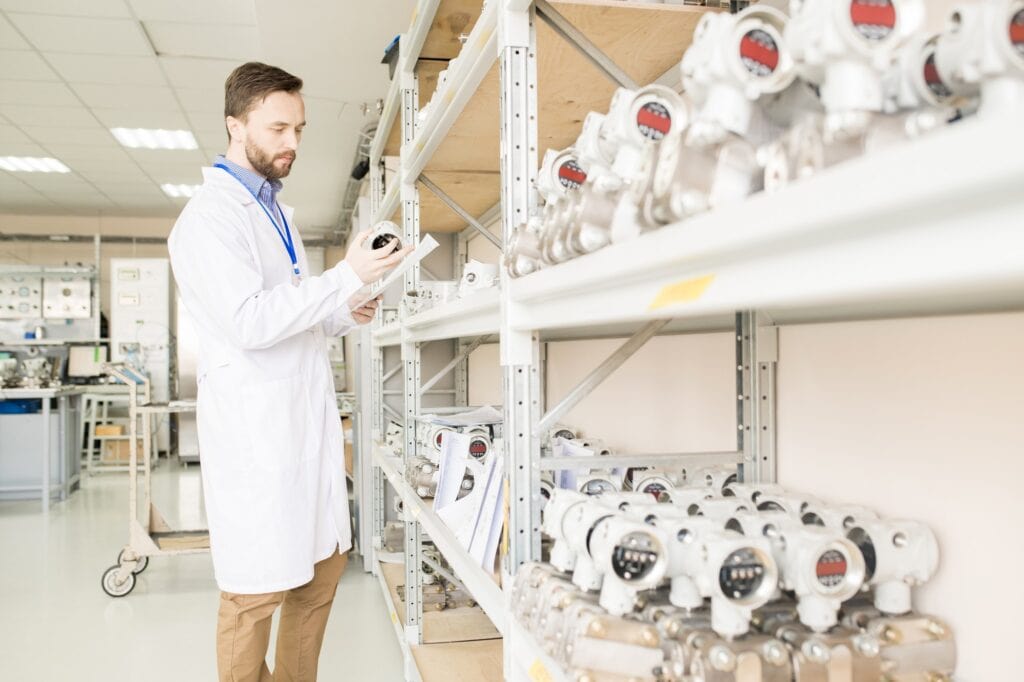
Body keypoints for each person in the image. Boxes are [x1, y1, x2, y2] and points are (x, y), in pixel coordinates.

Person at [168, 61, 412, 682]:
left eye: (299, 129)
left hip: (306, 431)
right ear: (235, 124)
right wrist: (342, 278)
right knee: (254, 597)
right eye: (278, 128)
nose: (293, 144)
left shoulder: (276, 213)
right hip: (260, 442)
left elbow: (293, 315)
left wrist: (345, 308)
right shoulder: (207, 220)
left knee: (320, 576)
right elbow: (249, 322)